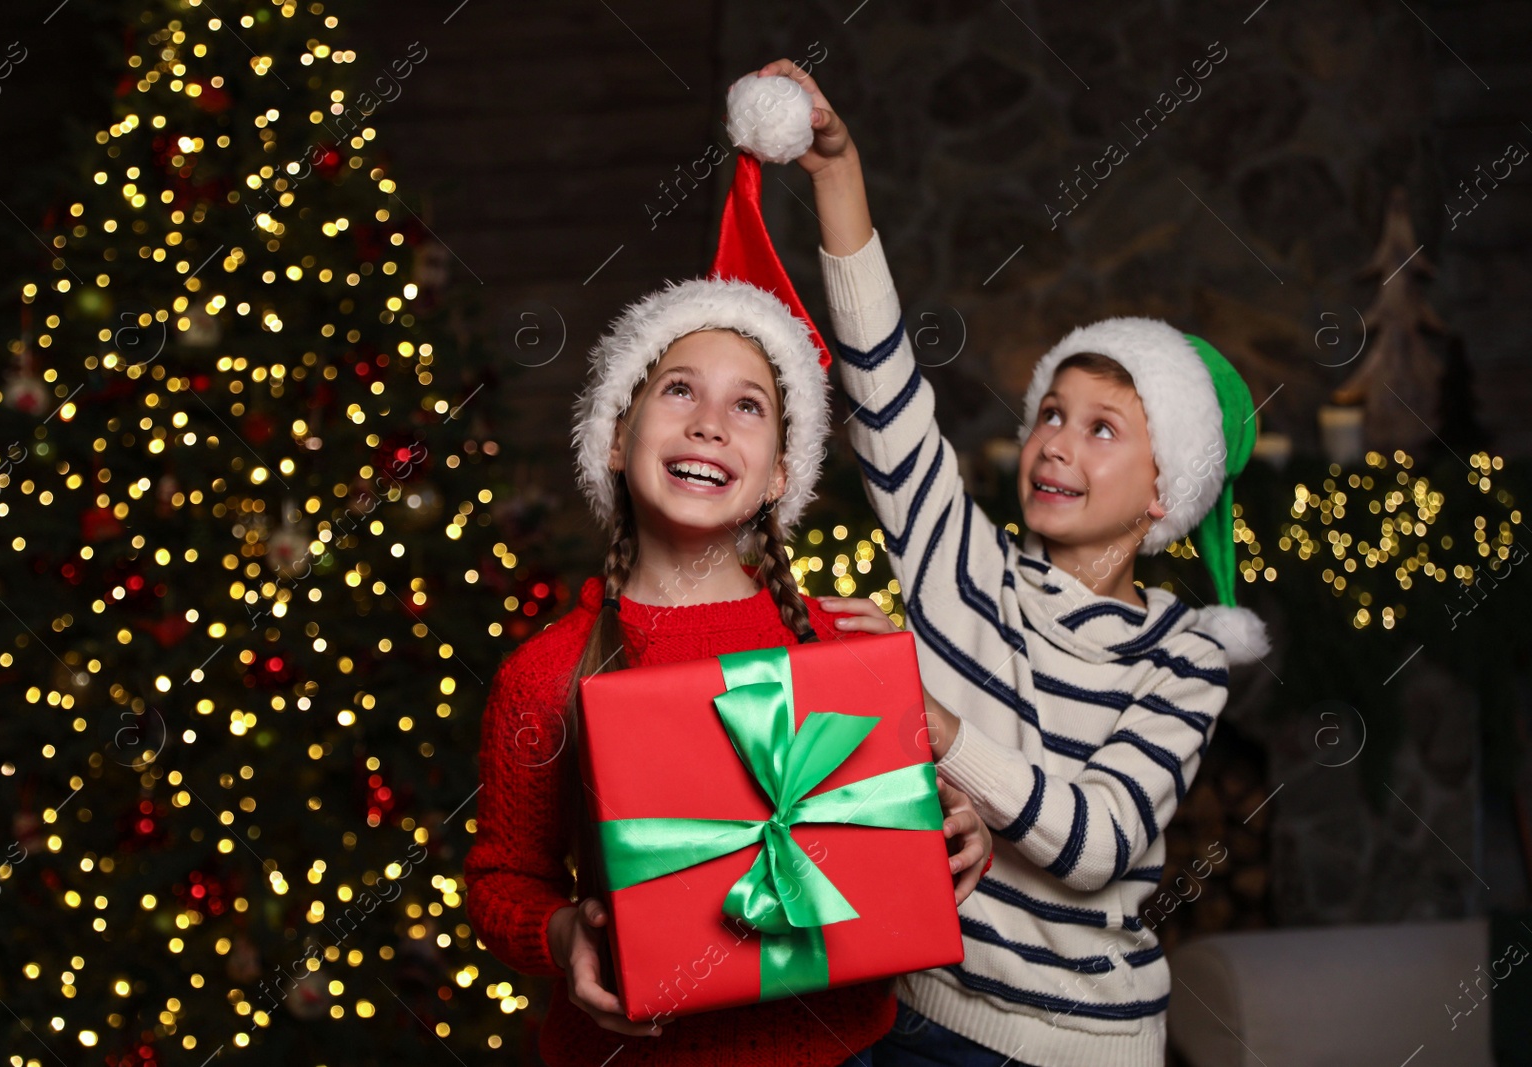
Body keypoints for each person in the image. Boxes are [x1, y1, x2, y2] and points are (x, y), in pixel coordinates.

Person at [749, 57, 1271, 1067]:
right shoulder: (961, 564)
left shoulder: (1184, 655)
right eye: (1048, 413)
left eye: (1103, 427)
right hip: (913, 1019)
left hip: (1079, 1047)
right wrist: (835, 172)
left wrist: (927, 718)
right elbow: (884, 384)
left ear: (1165, 491)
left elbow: (1096, 841)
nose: (1057, 442)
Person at [463, 266, 994, 1067]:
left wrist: (957, 831)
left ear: (781, 473)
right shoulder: (545, 674)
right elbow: (502, 876)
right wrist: (561, 929)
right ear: (615, 435)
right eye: (680, 390)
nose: (710, 424)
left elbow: (894, 819)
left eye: (748, 405)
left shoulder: (844, 642)